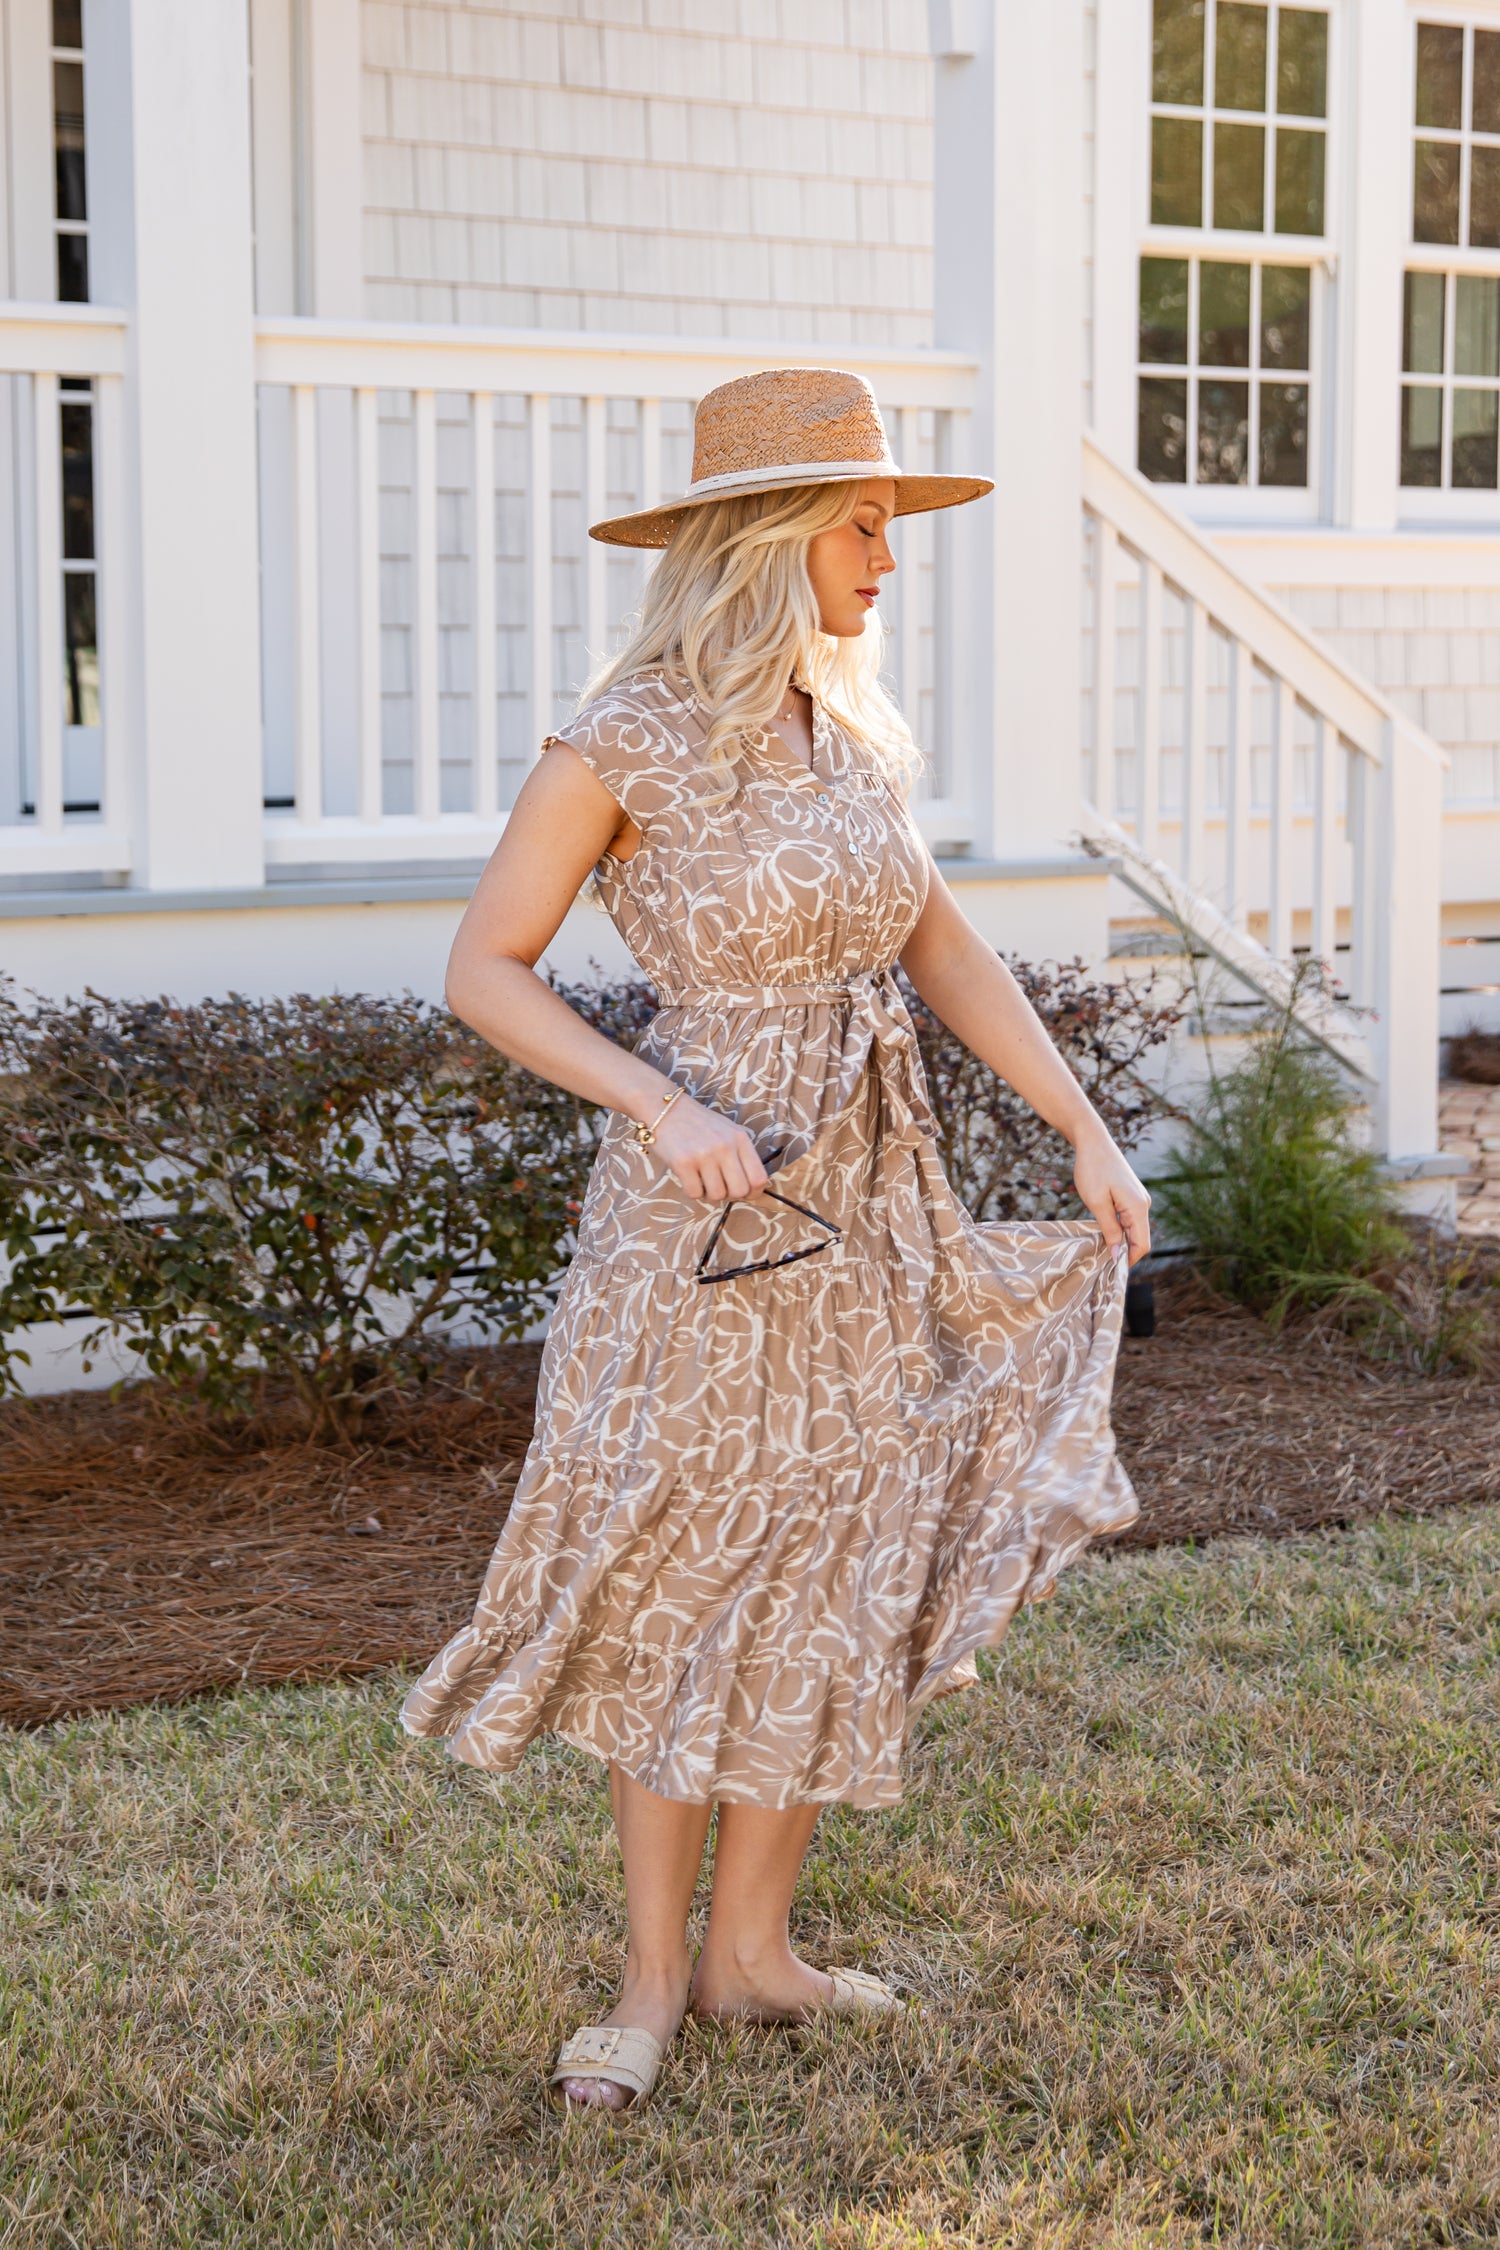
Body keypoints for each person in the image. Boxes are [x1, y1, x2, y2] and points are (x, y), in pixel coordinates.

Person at [400, 366, 1149, 2114]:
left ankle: (756, 1956)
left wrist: (1082, 1123)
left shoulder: (854, 731)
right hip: (708, 1219)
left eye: (891, 524)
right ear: (765, 534)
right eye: (864, 523)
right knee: (682, 1563)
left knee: (835, 1557)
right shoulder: (625, 733)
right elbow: (484, 964)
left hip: (873, 1206)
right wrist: (663, 1106)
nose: (891, 558)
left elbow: (943, 951)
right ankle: (654, 1975)